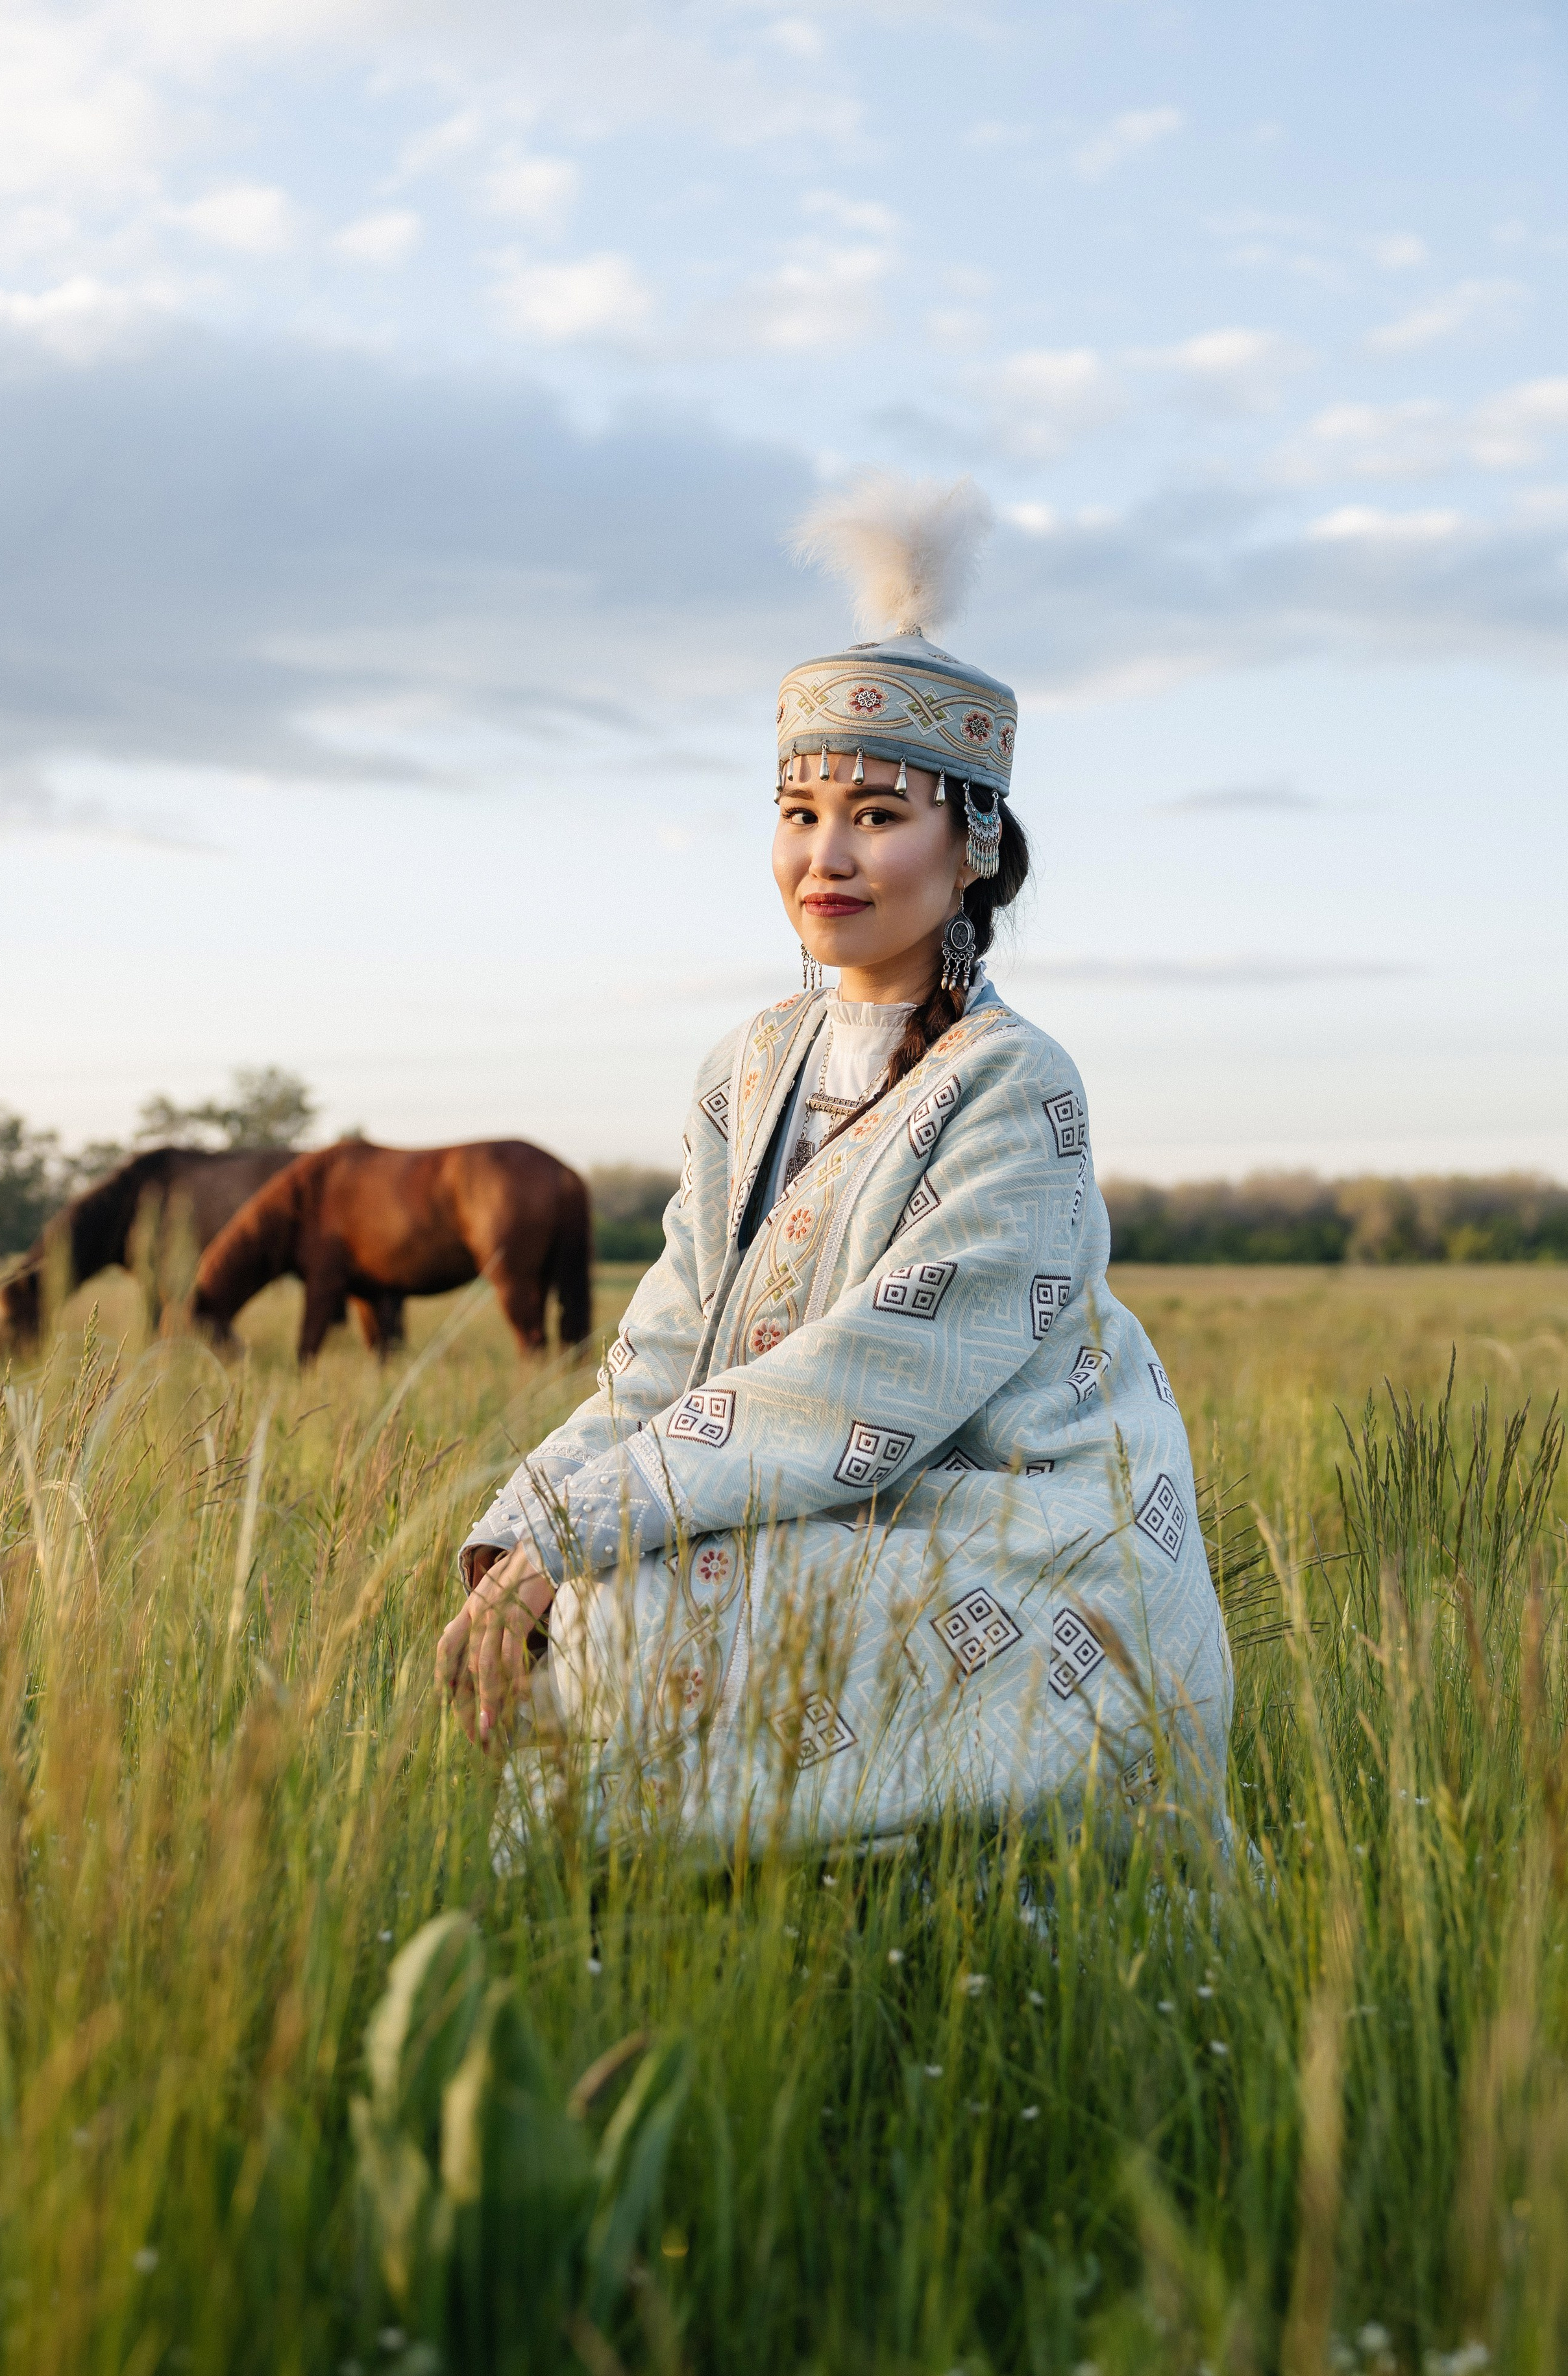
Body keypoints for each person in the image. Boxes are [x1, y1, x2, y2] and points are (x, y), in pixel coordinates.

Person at [437, 472, 1231, 1852]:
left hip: (1006, 1525)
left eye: (876, 813)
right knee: (563, 1595)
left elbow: (863, 1386)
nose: (826, 854)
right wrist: (524, 1529)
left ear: (969, 841)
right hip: (816, 1499)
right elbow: (666, 1347)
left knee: (632, 1621)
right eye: (799, 813)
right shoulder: (747, 1067)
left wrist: (585, 1538)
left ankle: (873, 1963)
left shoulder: (1012, 1083)